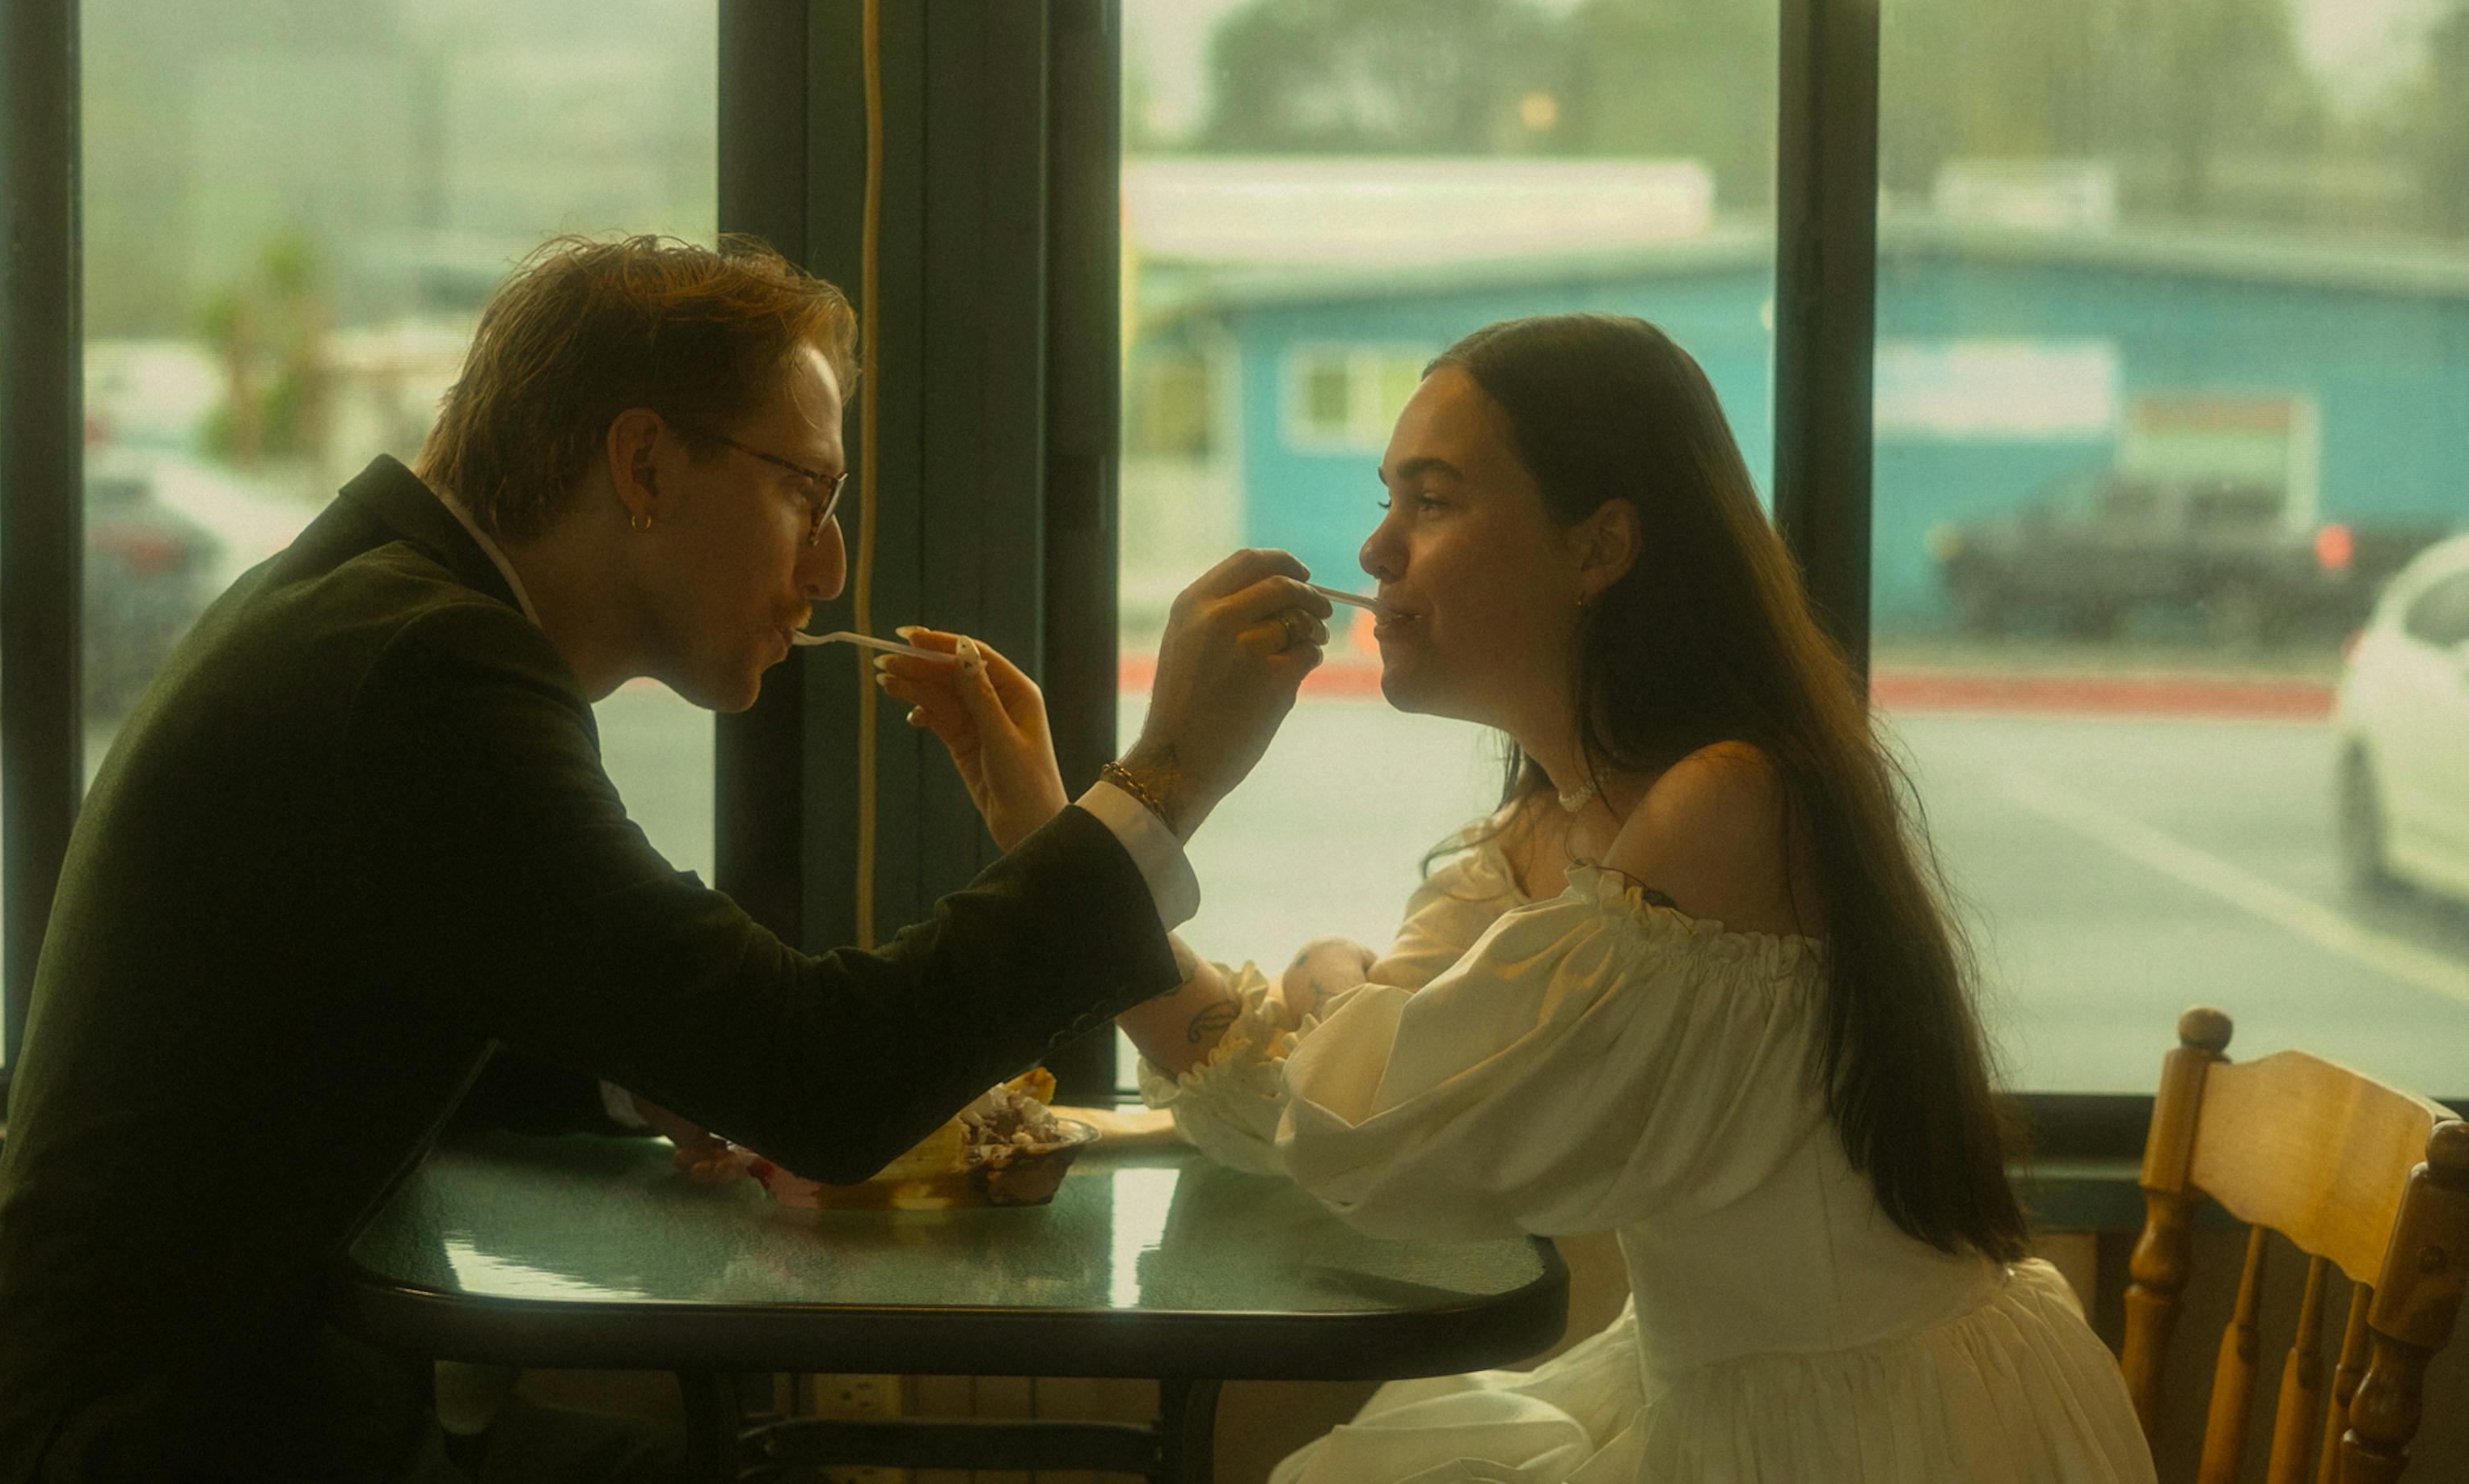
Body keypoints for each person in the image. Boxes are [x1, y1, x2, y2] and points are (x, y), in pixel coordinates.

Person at [0, 234, 1333, 1482]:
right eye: (805, 494)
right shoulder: (429, 676)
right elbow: (829, 1079)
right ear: (643, 463)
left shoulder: (371, 606)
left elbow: (354, 1007)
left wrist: (626, 1064)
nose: (830, 570)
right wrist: (1165, 779)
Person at [879, 314, 2155, 1483]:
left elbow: (1368, 1125)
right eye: (1388, 501)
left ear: (1600, 543)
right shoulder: (1540, 829)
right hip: (1725, 1399)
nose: (1374, 547)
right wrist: (1054, 835)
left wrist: (1333, 978)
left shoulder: (1723, 807)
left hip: (1878, 1432)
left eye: (1431, 500)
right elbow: (1315, 1112)